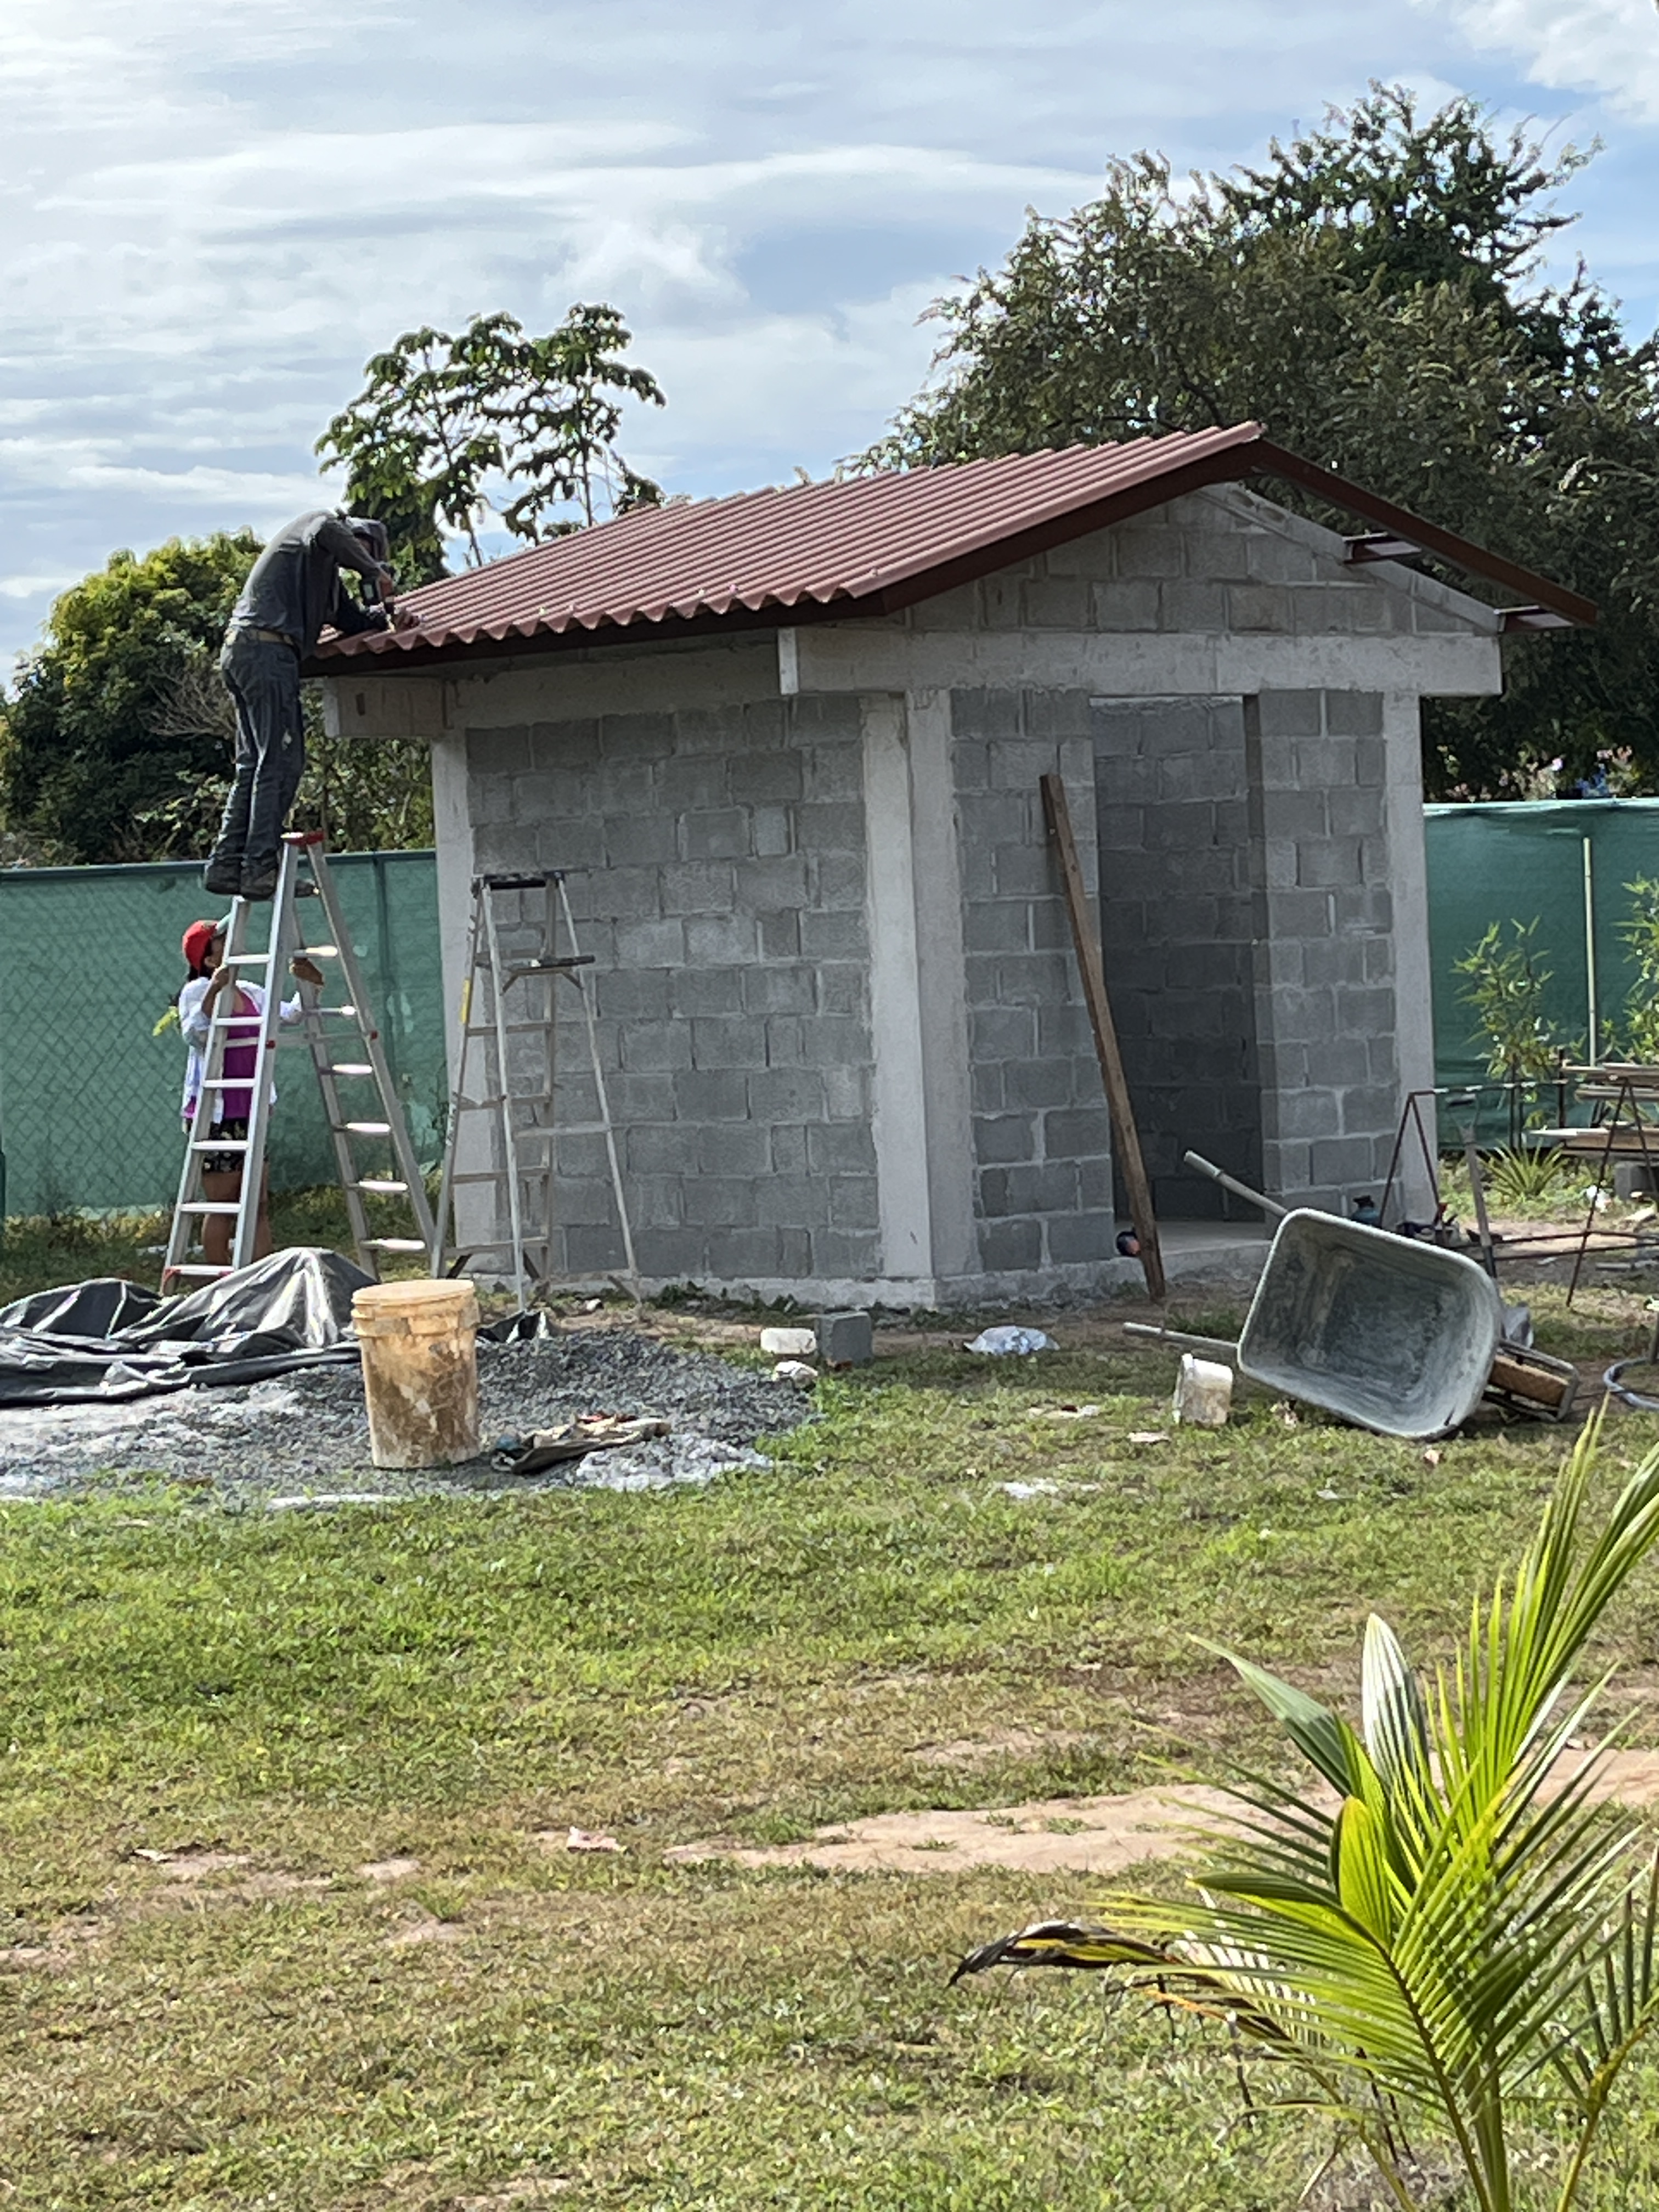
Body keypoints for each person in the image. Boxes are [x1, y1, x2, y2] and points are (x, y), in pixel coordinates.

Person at [202, 512, 414, 902]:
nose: (359, 558)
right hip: (266, 652)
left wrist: (388, 616)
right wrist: (374, 571)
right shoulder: (318, 527)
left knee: (253, 764)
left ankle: (226, 864)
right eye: (361, 549)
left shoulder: (322, 580)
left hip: (245, 652)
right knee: (282, 760)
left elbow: (352, 620)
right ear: (353, 536)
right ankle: (260, 867)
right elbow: (327, 530)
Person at [178, 918, 323, 1268]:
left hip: (251, 1108)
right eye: (222, 940)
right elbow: (195, 1034)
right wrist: (214, 990)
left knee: (257, 1202)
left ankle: (262, 1278)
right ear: (209, 959)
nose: (233, 941)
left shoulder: (251, 991)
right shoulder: (196, 991)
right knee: (224, 1203)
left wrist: (310, 984)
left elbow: (291, 1014)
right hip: (217, 1112)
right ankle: (221, 1279)